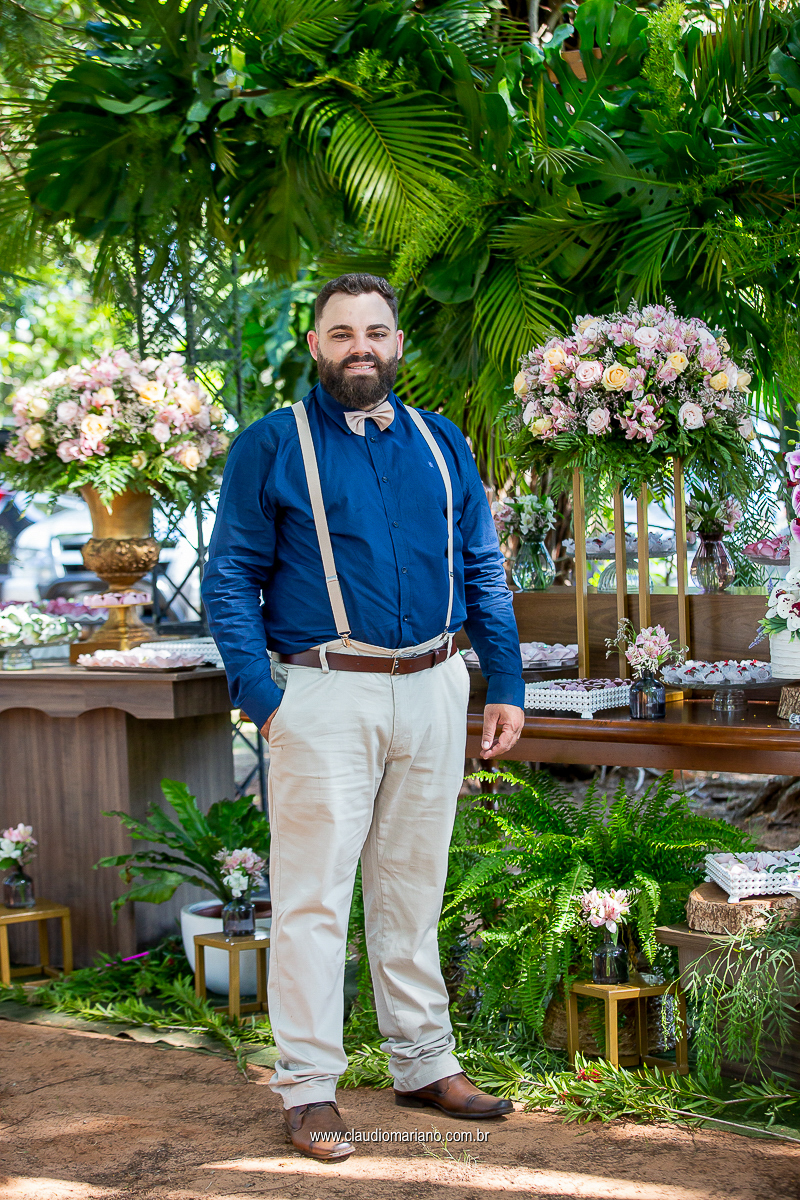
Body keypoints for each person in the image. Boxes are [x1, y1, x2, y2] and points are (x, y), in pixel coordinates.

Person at [203, 274, 525, 1161]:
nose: (360, 348)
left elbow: (482, 565)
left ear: (397, 344)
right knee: (314, 899)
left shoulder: (441, 440)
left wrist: (504, 682)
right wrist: (264, 697)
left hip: (436, 682)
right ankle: (308, 1087)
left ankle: (424, 1062)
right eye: (342, 333)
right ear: (315, 345)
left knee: (413, 887)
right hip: (325, 689)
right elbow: (230, 576)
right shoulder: (271, 444)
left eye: (375, 332)